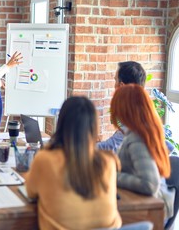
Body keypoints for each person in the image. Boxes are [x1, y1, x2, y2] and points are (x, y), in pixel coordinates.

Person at [25, 96, 122, 229]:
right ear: (93, 127)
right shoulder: (108, 162)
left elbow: (30, 192)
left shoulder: (45, 159)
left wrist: (50, 146)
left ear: (61, 123)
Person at [111, 84, 174, 220]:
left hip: (151, 210)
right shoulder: (144, 132)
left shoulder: (137, 139)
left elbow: (150, 185)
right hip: (151, 203)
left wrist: (112, 175)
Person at [97, 61, 174, 153]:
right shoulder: (145, 107)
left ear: (121, 86)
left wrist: (80, 147)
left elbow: (110, 147)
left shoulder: (134, 112)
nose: (114, 86)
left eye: (115, 81)